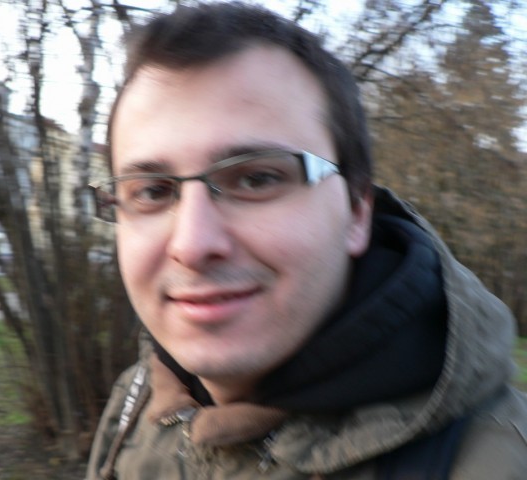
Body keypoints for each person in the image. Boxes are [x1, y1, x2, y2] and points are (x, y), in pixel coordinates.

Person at [86, 3, 527, 479]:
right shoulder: (141, 397)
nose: (192, 245)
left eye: (256, 179)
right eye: (152, 192)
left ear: (357, 211)